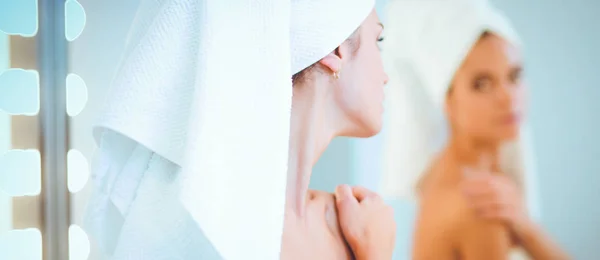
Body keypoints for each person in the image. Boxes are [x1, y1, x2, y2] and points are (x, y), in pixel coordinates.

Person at [84, 0, 396, 259]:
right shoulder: (210, 232)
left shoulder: (347, 225)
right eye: (377, 41)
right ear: (336, 50)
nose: (385, 76)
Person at [380, 0, 570, 259]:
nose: (508, 97)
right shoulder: (482, 202)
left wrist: (527, 227)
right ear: (448, 100)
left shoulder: (477, 175)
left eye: (514, 75)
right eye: (482, 84)